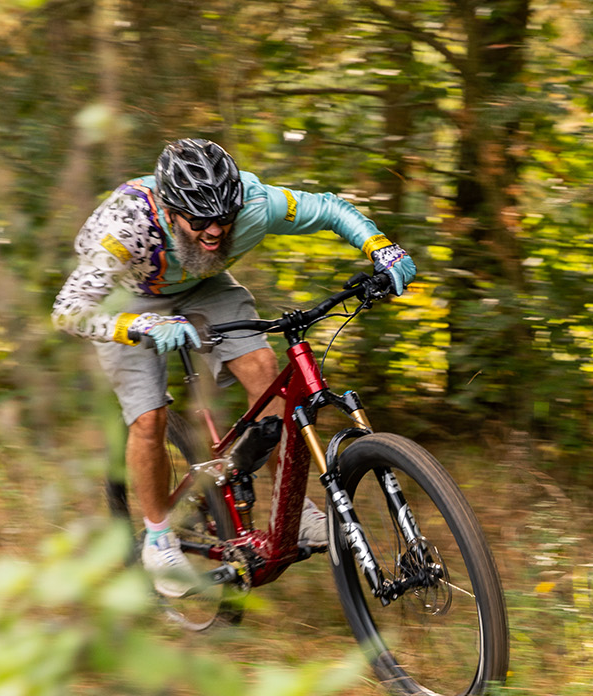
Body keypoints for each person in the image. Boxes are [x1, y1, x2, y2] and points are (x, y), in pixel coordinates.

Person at [53, 138, 415, 596]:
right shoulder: (124, 228)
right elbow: (67, 310)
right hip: (128, 301)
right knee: (148, 417)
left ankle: (293, 509)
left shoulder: (255, 203)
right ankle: (159, 538)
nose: (215, 232)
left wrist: (381, 247)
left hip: (203, 284)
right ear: (168, 210)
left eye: (224, 220)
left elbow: (327, 209)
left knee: (266, 372)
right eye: (200, 221)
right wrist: (136, 323)